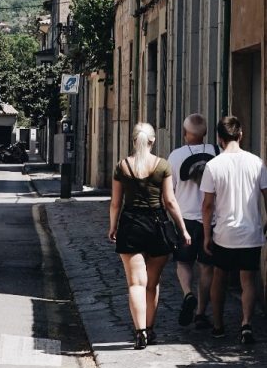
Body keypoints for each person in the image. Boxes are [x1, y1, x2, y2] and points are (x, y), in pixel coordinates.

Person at [109, 123, 191, 349]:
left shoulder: (122, 166)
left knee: (135, 283)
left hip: (131, 224)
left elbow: (116, 203)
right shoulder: (162, 166)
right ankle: (150, 328)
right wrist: (182, 229)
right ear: (152, 141)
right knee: (152, 284)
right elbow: (170, 202)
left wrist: (112, 226)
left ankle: (140, 332)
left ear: (134, 140)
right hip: (157, 226)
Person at [200, 116, 267, 344]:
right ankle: (246, 323)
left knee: (219, 277)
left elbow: (208, 205)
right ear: (241, 135)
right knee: (248, 280)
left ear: (219, 138)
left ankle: (218, 325)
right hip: (250, 233)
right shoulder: (256, 163)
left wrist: (207, 235)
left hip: (224, 234)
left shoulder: (213, 165)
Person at [166, 114, 216, 328]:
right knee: (206, 267)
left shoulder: (175, 157)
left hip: (184, 219)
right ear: (204, 133)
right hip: (211, 220)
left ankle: (187, 294)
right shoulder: (216, 153)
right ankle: (201, 313)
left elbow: (170, 191)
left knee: (183, 263)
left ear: (185, 133)